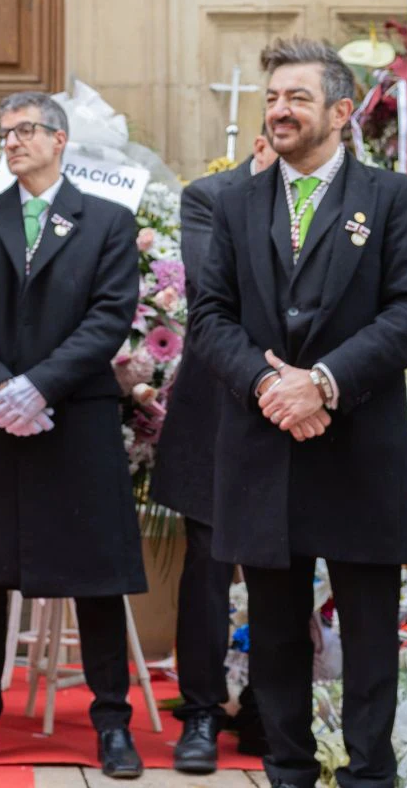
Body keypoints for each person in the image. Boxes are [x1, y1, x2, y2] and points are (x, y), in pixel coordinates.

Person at [188, 38, 407, 788]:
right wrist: (275, 391)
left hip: (357, 444)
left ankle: (369, 776)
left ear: (339, 110)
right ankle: (287, 772)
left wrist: (323, 383)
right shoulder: (231, 202)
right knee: (276, 635)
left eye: (296, 98)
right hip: (266, 449)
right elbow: (210, 320)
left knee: (367, 636)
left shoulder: (391, 198)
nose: (279, 110)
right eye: (272, 98)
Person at [0, 91, 148, 779]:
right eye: (4, 134)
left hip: (73, 417)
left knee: (96, 573)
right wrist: (1, 386)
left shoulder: (107, 222)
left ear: (59, 139)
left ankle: (113, 724)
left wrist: (41, 386)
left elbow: (109, 318)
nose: (13, 142)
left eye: (26, 130)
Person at [150, 134, 274, 774]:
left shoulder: (344, 200)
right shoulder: (209, 199)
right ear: (262, 140)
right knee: (207, 565)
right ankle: (200, 710)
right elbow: (213, 295)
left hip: (304, 407)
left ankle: (269, 705)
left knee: (288, 568)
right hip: (221, 407)